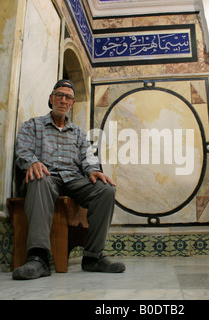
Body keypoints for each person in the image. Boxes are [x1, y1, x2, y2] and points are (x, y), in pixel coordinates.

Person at [12, 79, 125, 280]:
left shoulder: (80, 134)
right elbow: (23, 151)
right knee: (39, 179)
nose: (63, 100)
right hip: (47, 176)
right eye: (59, 95)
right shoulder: (33, 126)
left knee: (106, 189)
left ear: (72, 103)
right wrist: (32, 162)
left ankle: (93, 256)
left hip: (73, 179)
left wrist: (93, 170)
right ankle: (38, 258)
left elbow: (88, 159)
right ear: (51, 98)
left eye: (68, 97)